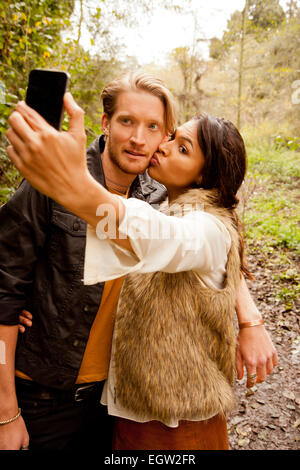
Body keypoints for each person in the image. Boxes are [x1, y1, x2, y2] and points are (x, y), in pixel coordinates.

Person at [1, 72, 277, 450]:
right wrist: (5, 411)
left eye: (156, 129)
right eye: (127, 121)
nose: (141, 140)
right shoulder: (53, 186)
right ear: (105, 123)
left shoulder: (160, 199)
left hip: (129, 405)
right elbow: (5, 287)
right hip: (46, 398)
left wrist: (250, 321)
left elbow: (186, 238)